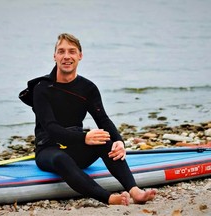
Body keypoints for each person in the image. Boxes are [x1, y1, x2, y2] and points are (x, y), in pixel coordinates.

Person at [31, 33, 156, 205]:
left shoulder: (88, 88)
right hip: (48, 150)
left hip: (75, 149)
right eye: (61, 51)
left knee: (106, 141)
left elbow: (102, 119)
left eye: (72, 51)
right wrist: (84, 137)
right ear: (55, 56)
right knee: (61, 158)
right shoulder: (42, 88)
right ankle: (109, 198)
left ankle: (135, 191)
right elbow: (51, 128)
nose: (66, 56)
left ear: (80, 56)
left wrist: (119, 141)